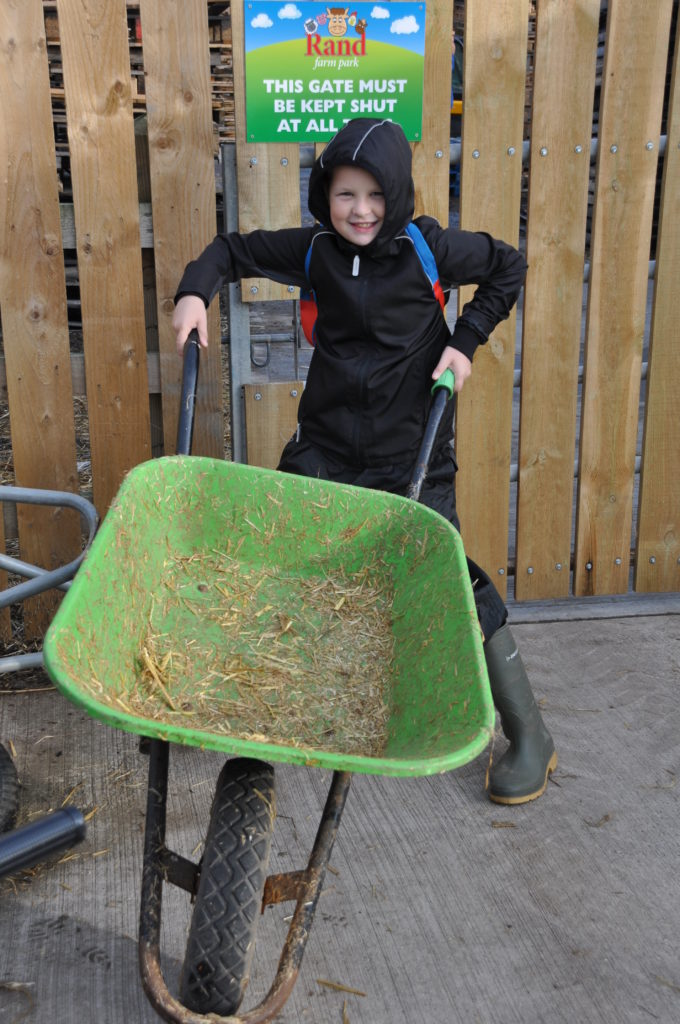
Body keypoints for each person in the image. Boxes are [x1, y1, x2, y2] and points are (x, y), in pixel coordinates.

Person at [173, 117, 557, 805]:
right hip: (323, 446)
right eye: (346, 194)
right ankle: (269, 699)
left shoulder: (427, 249)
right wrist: (194, 294)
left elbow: (508, 266)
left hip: (412, 451)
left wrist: (465, 341)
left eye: (375, 196)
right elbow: (230, 250)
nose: (360, 211)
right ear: (326, 194)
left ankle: (529, 734)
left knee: (449, 583)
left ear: (398, 195)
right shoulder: (316, 251)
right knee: (278, 552)